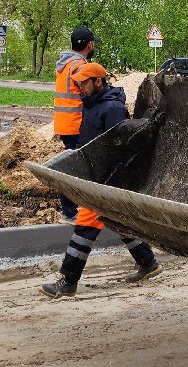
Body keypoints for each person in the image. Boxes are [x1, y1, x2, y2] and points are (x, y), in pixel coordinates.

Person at [42, 61, 160, 297]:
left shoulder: (112, 109)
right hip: (96, 174)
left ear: (98, 81)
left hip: (109, 178)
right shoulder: (91, 105)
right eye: (77, 83)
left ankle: (68, 281)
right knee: (119, 220)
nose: (79, 88)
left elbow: (121, 148)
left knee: (85, 227)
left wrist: (111, 179)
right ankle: (148, 263)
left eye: (83, 83)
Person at [52, 26, 96, 222]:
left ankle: (71, 209)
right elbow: (90, 92)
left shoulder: (65, 64)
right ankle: (69, 211)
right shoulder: (79, 66)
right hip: (76, 123)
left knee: (74, 165)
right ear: (90, 44)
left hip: (65, 123)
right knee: (77, 168)